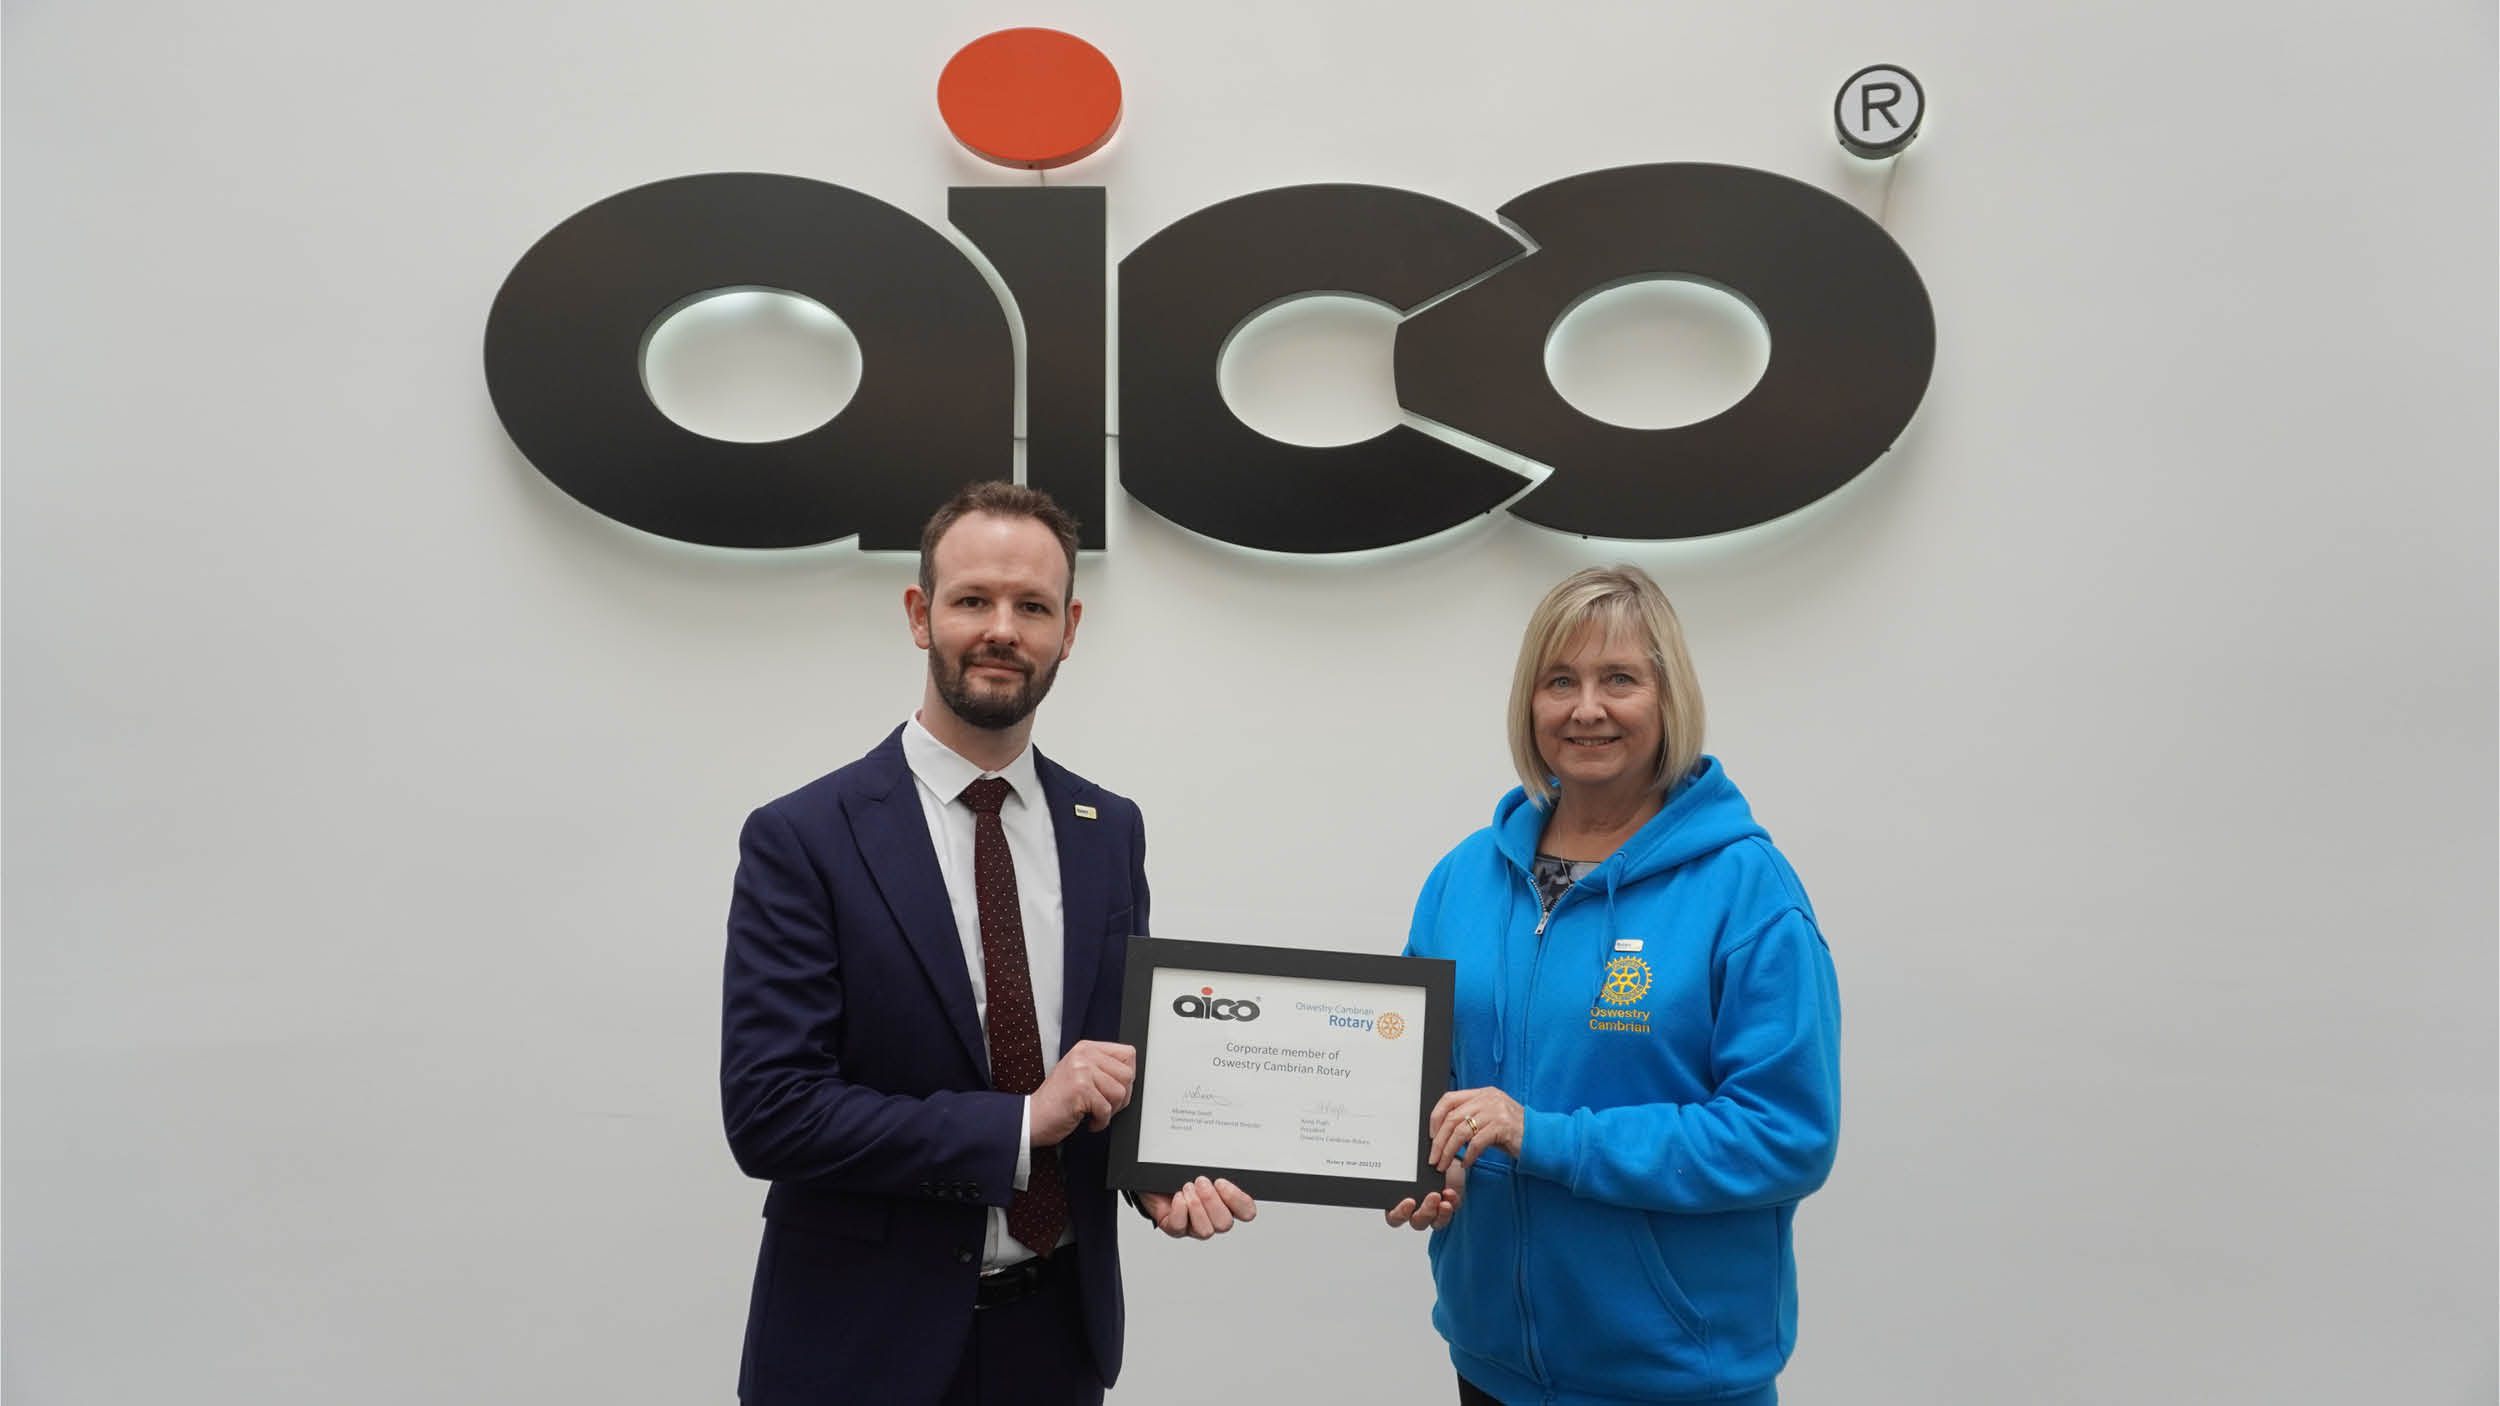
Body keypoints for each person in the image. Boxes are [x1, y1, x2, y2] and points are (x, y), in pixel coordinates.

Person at [721, 481, 1255, 1406]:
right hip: (858, 1347)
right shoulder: (803, 836)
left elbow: (1120, 1063)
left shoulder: (1108, 829)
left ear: (1070, 627)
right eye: (973, 600)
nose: (1002, 629)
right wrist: (1018, 1125)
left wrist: (1154, 1173)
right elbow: (772, 1111)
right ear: (920, 615)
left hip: (1055, 1341)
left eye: (1032, 606)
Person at [1387, 564, 1841, 1406]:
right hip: (1491, 1366)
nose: (1586, 708)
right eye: (1560, 680)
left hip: (1674, 1379)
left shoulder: (1747, 892)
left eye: (1619, 679)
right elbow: (1418, 1078)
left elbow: (1787, 1133)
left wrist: (1546, 1137)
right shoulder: (1462, 879)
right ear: (1531, 702)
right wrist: (1421, 1160)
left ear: (1668, 700)